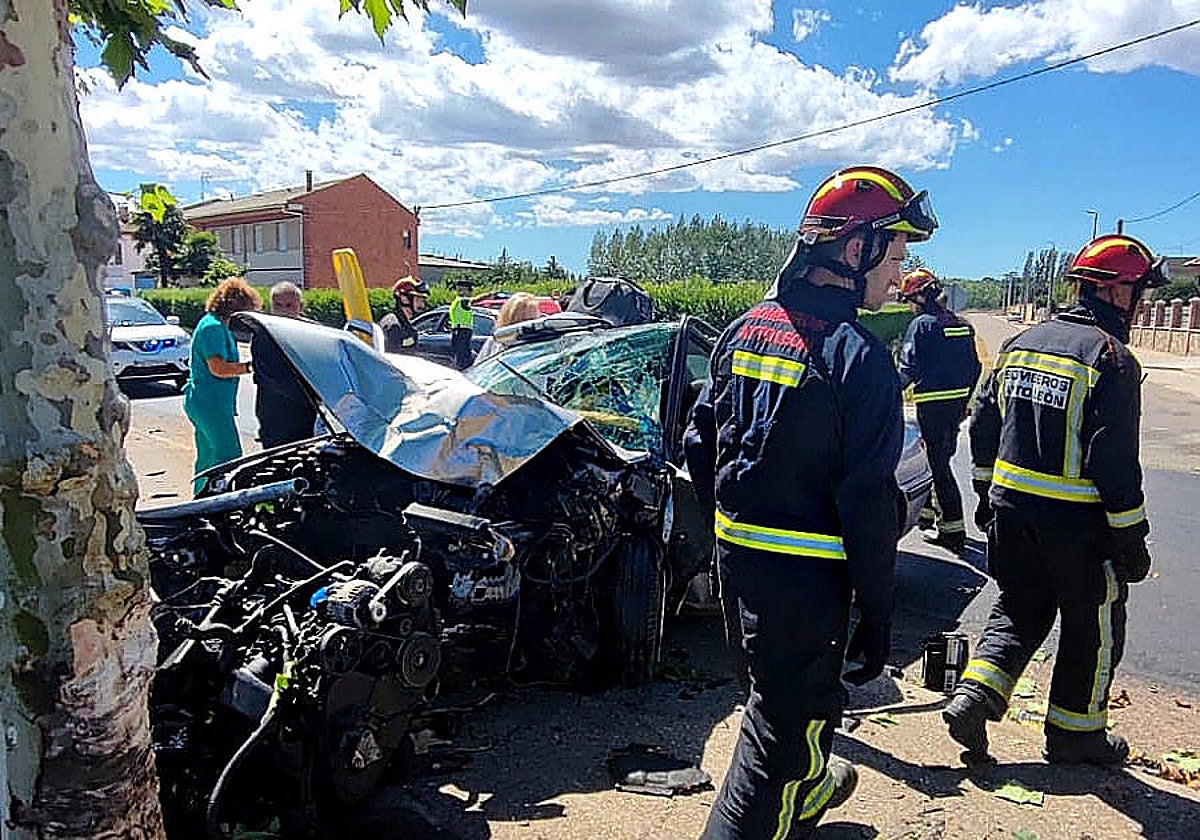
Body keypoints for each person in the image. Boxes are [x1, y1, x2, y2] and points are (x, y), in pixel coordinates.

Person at [685, 165, 937, 839]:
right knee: (779, 742)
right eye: (897, 253)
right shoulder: (859, 360)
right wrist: (878, 614)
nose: (901, 273)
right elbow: (870, 508)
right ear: (855, 250)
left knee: (779, 715)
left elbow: (698, 445)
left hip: (742, 577)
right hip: (806, 592)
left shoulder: (744, 329)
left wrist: (729, 539)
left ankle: (809, 799)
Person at [946, 234, 1167, 766]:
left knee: (1020, 606)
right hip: (1078, 527)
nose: (1141, 304)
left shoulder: (1018, 344)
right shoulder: (1111, 358)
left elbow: (983, 424)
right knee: (1094, 622)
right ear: (1114, 292)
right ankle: (1076, 734)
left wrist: (984, 493)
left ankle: (974, 695)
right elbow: (1113, 466)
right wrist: (1131, 541)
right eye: (1137, 291)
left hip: (1011, 515)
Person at [896, 267, 982, 553]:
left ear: (920, 297)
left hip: (931, 406)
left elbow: (908, 368)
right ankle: (927, 514)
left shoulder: (921, 325)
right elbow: (976, 366)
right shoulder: (961, 324)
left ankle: (953, 530)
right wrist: (964, 403)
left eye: (909, 300)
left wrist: (883, 393)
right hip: (955, 408)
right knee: (940, 460)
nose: (909, 306)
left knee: (939, 467)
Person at [183, 277, 260, 494]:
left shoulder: (214, 325)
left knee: (207, 458)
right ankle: (218, 502)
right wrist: (251, 367)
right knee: (229, 455)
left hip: (206, 401)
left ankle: (199, 502)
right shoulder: (214, 328)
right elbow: (218, 368)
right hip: (210, 402)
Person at [252, 281, 317, 449]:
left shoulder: (310, 331)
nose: (283, 311)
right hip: (275, 413)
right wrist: (312, 396)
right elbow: (274, 377)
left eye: (289, 305)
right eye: (278, 305)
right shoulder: (263, 335)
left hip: (305, 414)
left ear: (300, 306)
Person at [474, 292, 541, 362]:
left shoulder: (540, 345)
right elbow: (479, 368)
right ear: (508, 318)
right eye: (522, 320)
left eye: (532, 320)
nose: (527, 325)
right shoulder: (496, 341)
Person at [380, 276, 430, 352]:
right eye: (418, 299)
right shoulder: (393, 325)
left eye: (422, 300)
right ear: (404, 299)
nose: (422, 305)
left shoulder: (407, 326)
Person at [448, 278, 475, 369]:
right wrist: (490, 295)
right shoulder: (462, 301)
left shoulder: (457, 301)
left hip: (457, 332)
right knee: (464, 357)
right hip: (462, 332)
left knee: (460, 356)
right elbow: (476, 301)